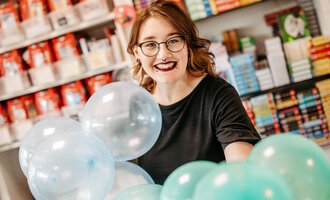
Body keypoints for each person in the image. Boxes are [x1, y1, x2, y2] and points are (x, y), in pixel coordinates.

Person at [127, 0, 261, 184]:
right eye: (150, 44)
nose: (163, 54)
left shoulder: (218, 94)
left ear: (188, 45)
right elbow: (131, 178)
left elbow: (242, 169)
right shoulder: (136, 107)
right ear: (136, 52)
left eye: (173, 41)